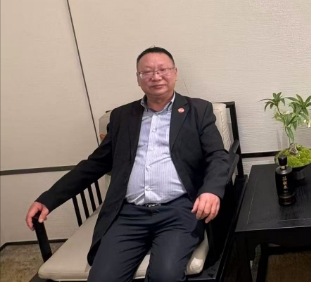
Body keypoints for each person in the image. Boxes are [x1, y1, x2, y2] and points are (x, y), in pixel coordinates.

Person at [25, 47, 230, 282]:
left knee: (165, 276)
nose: (156, 76)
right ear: (138, 79)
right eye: (147, 72)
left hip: (178, 210)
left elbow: (217, 155)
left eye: (162, 70)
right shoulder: (122, 116)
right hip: (128, 213)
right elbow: (95, 164)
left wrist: (211, 191)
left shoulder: (198, 110)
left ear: (174, 73)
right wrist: (48, 199)